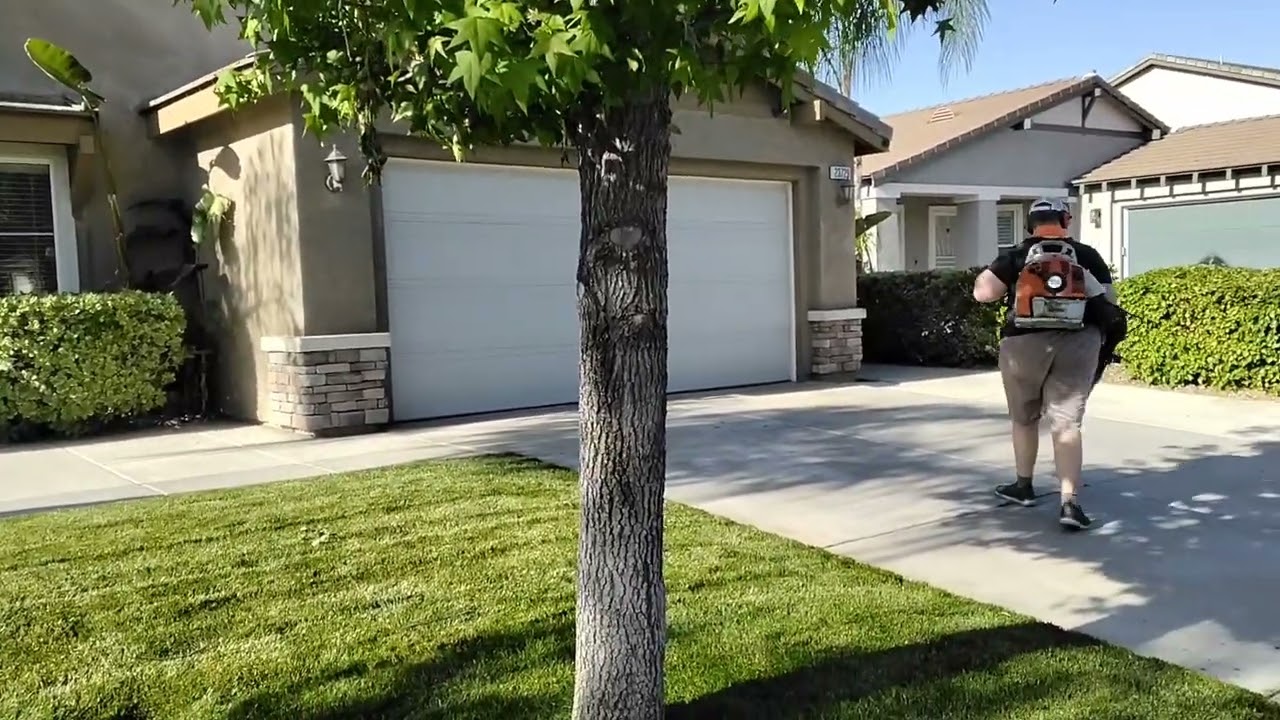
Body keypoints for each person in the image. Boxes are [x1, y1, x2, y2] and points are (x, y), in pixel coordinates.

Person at [971, 198, 1116, 530]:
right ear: (1065, 221)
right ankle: (1069, 503)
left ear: (1030, 224)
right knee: (1067, 424)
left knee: (1024, 419)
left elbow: (983, 293)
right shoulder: (1087, 255)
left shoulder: (1017, 254)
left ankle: (1023, 486)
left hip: (1023, 343)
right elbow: (1109, 303)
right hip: (1079, 342)